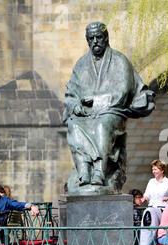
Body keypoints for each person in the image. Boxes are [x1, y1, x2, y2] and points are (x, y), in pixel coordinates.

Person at [63, 21, 155, 194]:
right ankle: (84, 171)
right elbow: (71, 92)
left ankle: (99, 171)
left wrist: (96, 102)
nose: (95, 41)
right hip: (86, 115)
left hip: (112, 111)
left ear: (106, 38)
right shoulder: (81, 64)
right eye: (91, 38)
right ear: (87, 41)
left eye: (99, 37)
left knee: (102, 124)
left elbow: (122, 91)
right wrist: (75, 106)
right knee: (73, 124)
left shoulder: (120, 60)